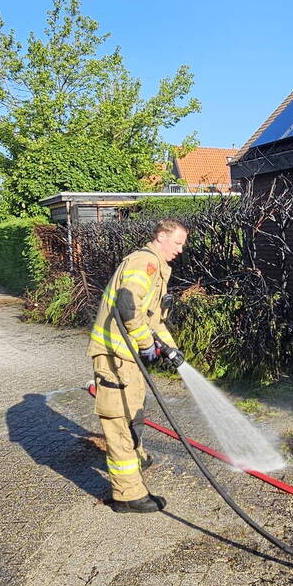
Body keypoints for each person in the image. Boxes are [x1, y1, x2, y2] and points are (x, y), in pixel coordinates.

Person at [87, 219, 188, 513]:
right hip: (115, 358)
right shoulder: (144, 263)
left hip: (126, 359)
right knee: (119, 422)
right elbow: (128, 306)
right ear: (161, 236)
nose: (180, 250)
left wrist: (170, 348)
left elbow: (151, 318)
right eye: (177, 242)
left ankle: (136, 459)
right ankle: (128, 495)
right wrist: (145, 343)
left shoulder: (156, 267)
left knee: (133, 414)